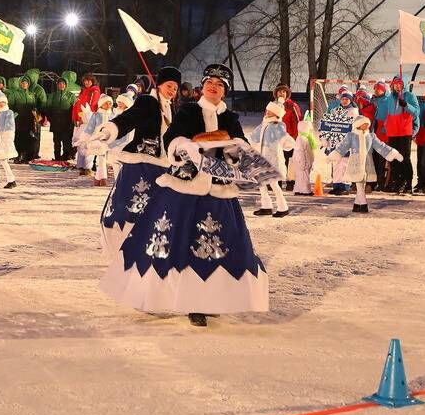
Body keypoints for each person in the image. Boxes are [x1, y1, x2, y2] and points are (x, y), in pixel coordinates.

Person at [100, 63, 268, 327]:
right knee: (183, 243)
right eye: (210, 82)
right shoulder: (189, 110)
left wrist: (239, 152)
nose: (214, 87)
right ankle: (192, 303)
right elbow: (172, 138)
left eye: (220, 84)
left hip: (219, 189)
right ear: (203, 86)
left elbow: (240, 145)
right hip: (187, 188)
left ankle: (213, 299)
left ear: (224, 91)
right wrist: (186, 146)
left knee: (221, 244)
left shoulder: (230, 118)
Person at [91, 66, 181, 255]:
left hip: (161, 169)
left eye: (175, 87)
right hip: (141, 166)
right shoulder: (148, 101)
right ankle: (123, 246)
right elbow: (128, 119)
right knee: (129, 208)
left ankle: (149, 246)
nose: (172, 90)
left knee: (156, 212)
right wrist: (109, 130)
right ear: (160, 84)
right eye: (169, 85)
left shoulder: (171, 107)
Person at [329, 115, 403, 214]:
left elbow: (381, 146)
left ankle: (357, 204)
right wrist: (332, 156)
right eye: (365, 123)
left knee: (362, 183)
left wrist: (394, 153)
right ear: (359, 124)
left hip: (367, 162)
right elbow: (342, 147)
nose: (367, 125)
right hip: (355, 162)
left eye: (368, 124)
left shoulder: (371, 136)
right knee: (359, 182)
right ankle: (363, 204)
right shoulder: (351, 135)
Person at [374, 76, 418, 194]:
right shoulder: (390, 98)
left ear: (404, 85)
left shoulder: (409, 96)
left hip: (404, 131)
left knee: (404, 158)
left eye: (400, 84)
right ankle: (397, 182)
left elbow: (416, 112)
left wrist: (406, 105)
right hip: (392, 132)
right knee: (394, 158)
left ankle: (408, 183)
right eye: (395, 84)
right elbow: (388, 114)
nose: (397, 86)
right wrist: (386, 127)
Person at [248, 100, 293, 216]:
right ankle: (266, 206)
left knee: (273, 184)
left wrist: (286, 143)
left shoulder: (277, 126)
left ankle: (283, 207)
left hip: (273, 160)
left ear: (276, 114)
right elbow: (253, 138)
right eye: (267, 110)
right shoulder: (263, 125)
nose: (267, 113)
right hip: (262, 159)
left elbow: (286, 140)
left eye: (270, 111)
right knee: (261, 183)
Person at [319, 89, 358, 195]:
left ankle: (345, 185)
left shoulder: (354, 112)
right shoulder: (335, 111)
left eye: (347, 99)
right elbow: (329, 125)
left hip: (347, 142)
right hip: (335, 141)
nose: (345, 101)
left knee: (345, 164)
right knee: (336, 163)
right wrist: (325, 137)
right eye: (343, 99)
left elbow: (355, 127)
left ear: (350, 100)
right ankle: (337, 184)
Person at [271, 84, 302, 191]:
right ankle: (277, 182)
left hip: (289, 139)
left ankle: (290, 182)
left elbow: (297, 122)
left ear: (287, 93)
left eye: (284, 92)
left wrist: (294, 138)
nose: (281, 93)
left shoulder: (292, 105)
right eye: (279, 92)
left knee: (290, 162)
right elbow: (267, 120)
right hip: (276, 140)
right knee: (277, 161)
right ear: (276, 93)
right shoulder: (272, 105)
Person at [46, 72, 78, 161]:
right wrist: (50, 118)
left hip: (67, 123)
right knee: (56, 141)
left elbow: (75, 109)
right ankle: (57, 157)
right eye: (60, 83)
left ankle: (66, 156)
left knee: (66, 141)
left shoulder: (71, 96)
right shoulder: (53, 95)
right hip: (55, 122)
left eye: (63, 84)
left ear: (66, 85)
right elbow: (48, 107)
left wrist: (73, 120)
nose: (61, 85)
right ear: (57, 85)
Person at [290, 114, 317, 195]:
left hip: (304, 162)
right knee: (304, 177)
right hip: (302, 163)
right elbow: (300, 152)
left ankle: (298, 189)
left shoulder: (303, 138)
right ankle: (305, 190)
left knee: (300, 177)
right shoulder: (302, 139)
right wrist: (303, 163)